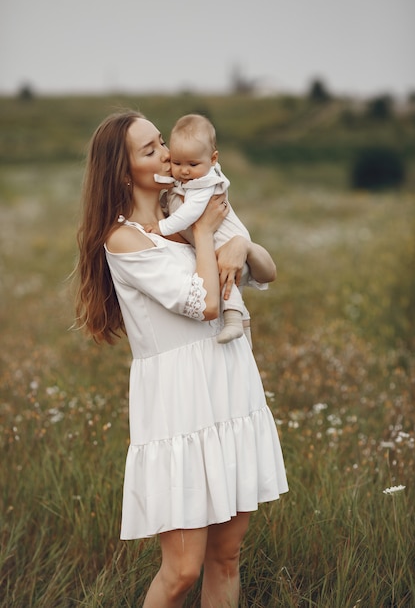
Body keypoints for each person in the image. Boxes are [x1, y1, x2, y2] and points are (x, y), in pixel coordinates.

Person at [74, 110, 288, 608]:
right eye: (150, 150)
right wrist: (207, 238)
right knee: (182, 570)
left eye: (161, 142)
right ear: (124, 172)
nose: (167, 154)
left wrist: (241, 243)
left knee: (226, 558)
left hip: (229, 385)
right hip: (178, 406)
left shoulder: (187, 206)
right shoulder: (124, 238)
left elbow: (267, 273)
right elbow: (205, 304)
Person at [144, 114, 255, 345]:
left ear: (213, 159)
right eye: (177, 163)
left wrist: (162, 227)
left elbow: (189, 214)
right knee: (220, 273)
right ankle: (240, 326)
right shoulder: (193, 177)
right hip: (221, 242)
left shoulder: (205, 185)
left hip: (228, 241)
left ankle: (234, 320)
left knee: (222, 275)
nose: (183, 171)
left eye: (192, 165)